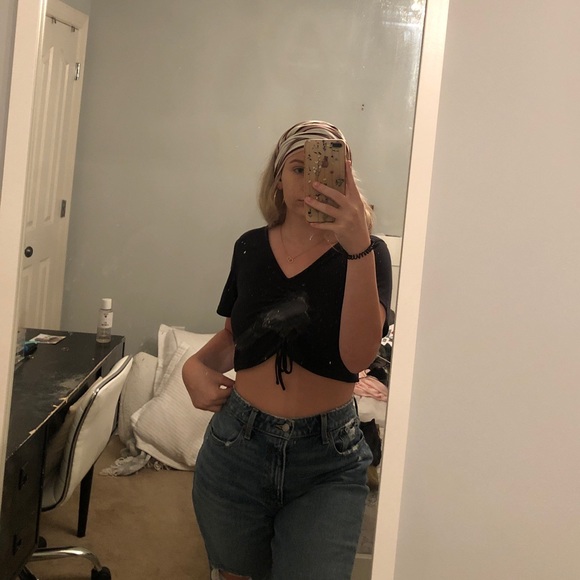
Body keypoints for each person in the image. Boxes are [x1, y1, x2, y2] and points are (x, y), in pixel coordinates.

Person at [182, 120, 392, 580]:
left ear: (347, 178)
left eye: (327, 171)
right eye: (298, 169)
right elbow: (237, 337)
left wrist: (357, 246)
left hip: (328, 458)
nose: (311, 183)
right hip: (237, 445)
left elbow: (358, 358)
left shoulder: (369, 253)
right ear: (278, 178)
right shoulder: (249, 247)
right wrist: (192, 367)